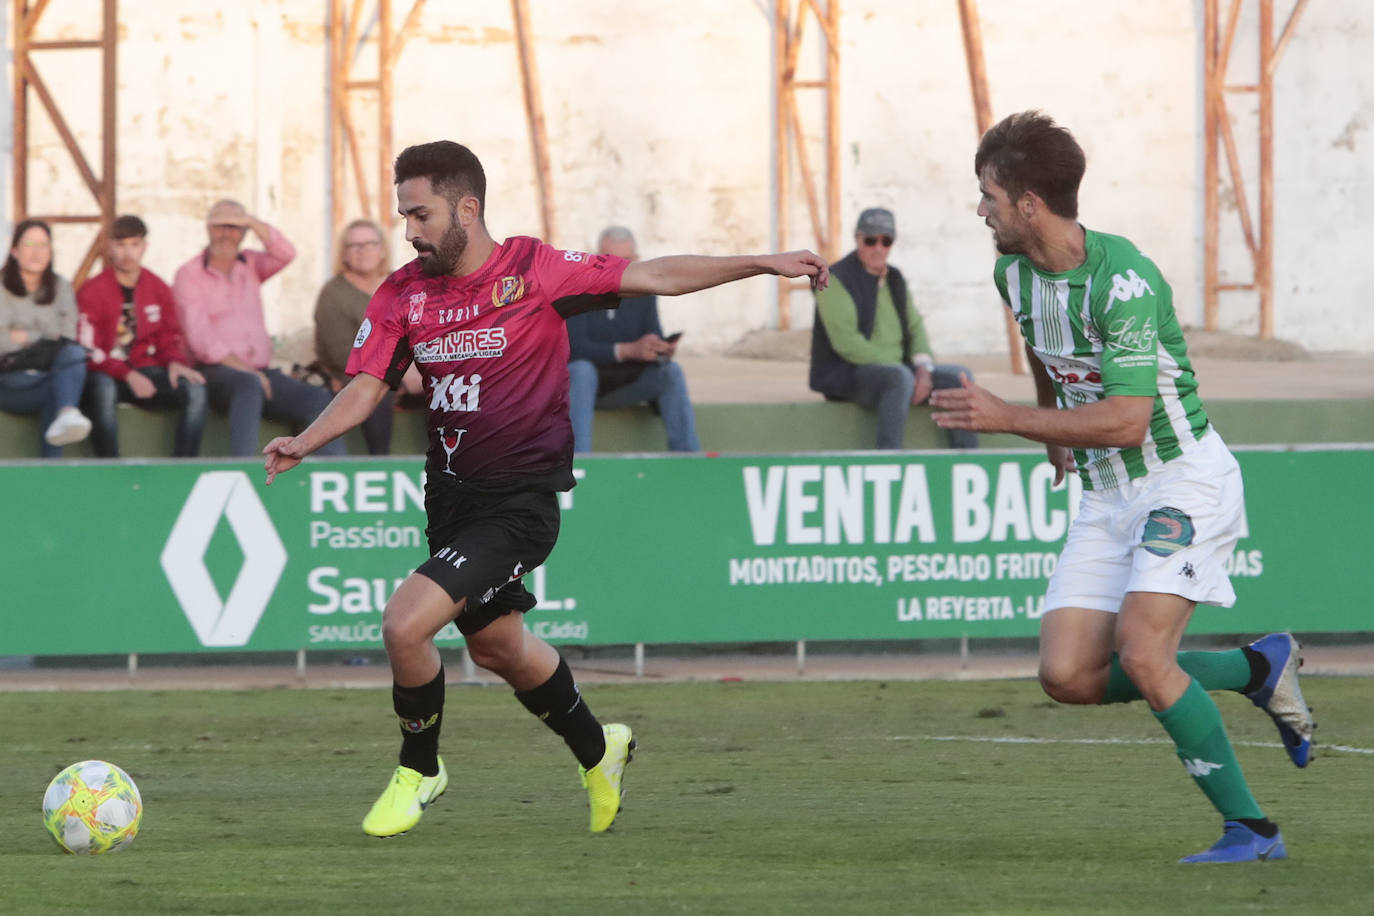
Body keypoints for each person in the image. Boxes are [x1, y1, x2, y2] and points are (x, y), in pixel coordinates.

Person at [262, 140, 827, 839]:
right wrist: (305, 441)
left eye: (421, 214)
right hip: (450, 501)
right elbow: (367, 386)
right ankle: (600, 750)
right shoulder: (402, 293)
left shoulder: (534, 270)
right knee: (500, 649)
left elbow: (655, 276)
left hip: (519, 504)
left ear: (467, 208)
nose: (409, 231)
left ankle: (420, 769)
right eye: (404, 215)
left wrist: (762, 263)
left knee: (404, 623)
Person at [930, 110, 1314, 864]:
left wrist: (1011, 418)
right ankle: (1256, 667)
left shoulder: (1124, 281)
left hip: (1181, 481)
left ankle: (1253, 831)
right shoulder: (1012, 271)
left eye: (989, 197)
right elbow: (1046, 348)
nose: (981, 210)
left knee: (1142, 654)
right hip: (1105, 494)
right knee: (1067, 676)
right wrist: (1048, 431)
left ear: (1029, 204)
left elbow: (1131, 422)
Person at [173, 200, 343, 457]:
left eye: (234, 227)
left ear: (243, 232)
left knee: (318, 400)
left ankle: (334, 473)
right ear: (208, 229)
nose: (226, 234)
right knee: (248, 384)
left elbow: (286, 253)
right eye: (219, 227)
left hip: (260, 372)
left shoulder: (249, 264)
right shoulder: (189, 274)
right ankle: (244, 471)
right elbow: (201, 341)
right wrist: (249, 371)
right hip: (215, 372)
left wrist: (252, 222)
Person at [810, 207, 977, 450]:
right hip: (848, 373)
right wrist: (909, 373)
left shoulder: (895, 278)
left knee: (959, 378)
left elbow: (915, 326)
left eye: (885, 241)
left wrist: (924, 369)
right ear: (857, 239)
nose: (878, 248)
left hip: (899, 371)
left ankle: (967, 460)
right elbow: (848, 344)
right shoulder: (834, 279)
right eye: (870, 240)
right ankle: (889, 462)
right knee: (898, 379)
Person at [78, 215, 208, 457]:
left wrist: (175, 363)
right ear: (109, 247)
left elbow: (168, 337)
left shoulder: (158, 287)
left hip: (147, 371)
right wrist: (127, 374)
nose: (128, 252)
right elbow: (86, 350)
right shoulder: (92, 291)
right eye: (120, 245)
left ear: (144, 247)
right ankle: (110, 471)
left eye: (134, 245)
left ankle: (183, 470)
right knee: (103, 390)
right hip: (106, 374)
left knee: (195, 390)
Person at [565, 226, 700, 452]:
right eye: (609, 260)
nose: (617, 268)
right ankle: (578, 463)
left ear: (636, 260)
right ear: (595, 258)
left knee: (671, 372)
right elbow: (574, 348)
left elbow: (651, 334)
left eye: (625, 261)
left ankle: (688, 460)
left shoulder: (645, 292)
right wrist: (627, 350)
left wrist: (658, 348)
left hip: (626, 382)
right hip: (581, 387)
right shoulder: (577, 290)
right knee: (581, 370)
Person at [313, 219, 422, 455]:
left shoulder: (404, 283)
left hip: (412, 370)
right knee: (374, 389)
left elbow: (427, 328)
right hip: (357, 373)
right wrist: (400, 373)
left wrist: (421, 367)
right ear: (344, 254)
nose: (362, 251)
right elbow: (341, 353)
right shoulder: (334, 293)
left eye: (369, 244)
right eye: (354, 246)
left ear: (382, 249)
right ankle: (378, 463)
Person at [0, 219, 92, 456]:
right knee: (62, 386)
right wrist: (44, 337)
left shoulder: (61, 287)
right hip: (9, 379)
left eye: (43, 244)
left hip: (49, 373)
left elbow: (68, 337)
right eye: (29, 243)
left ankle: (53, 465)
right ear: (14, 250)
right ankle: (66, 414)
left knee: (73, 357)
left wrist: (23, 336)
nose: (36, 252)